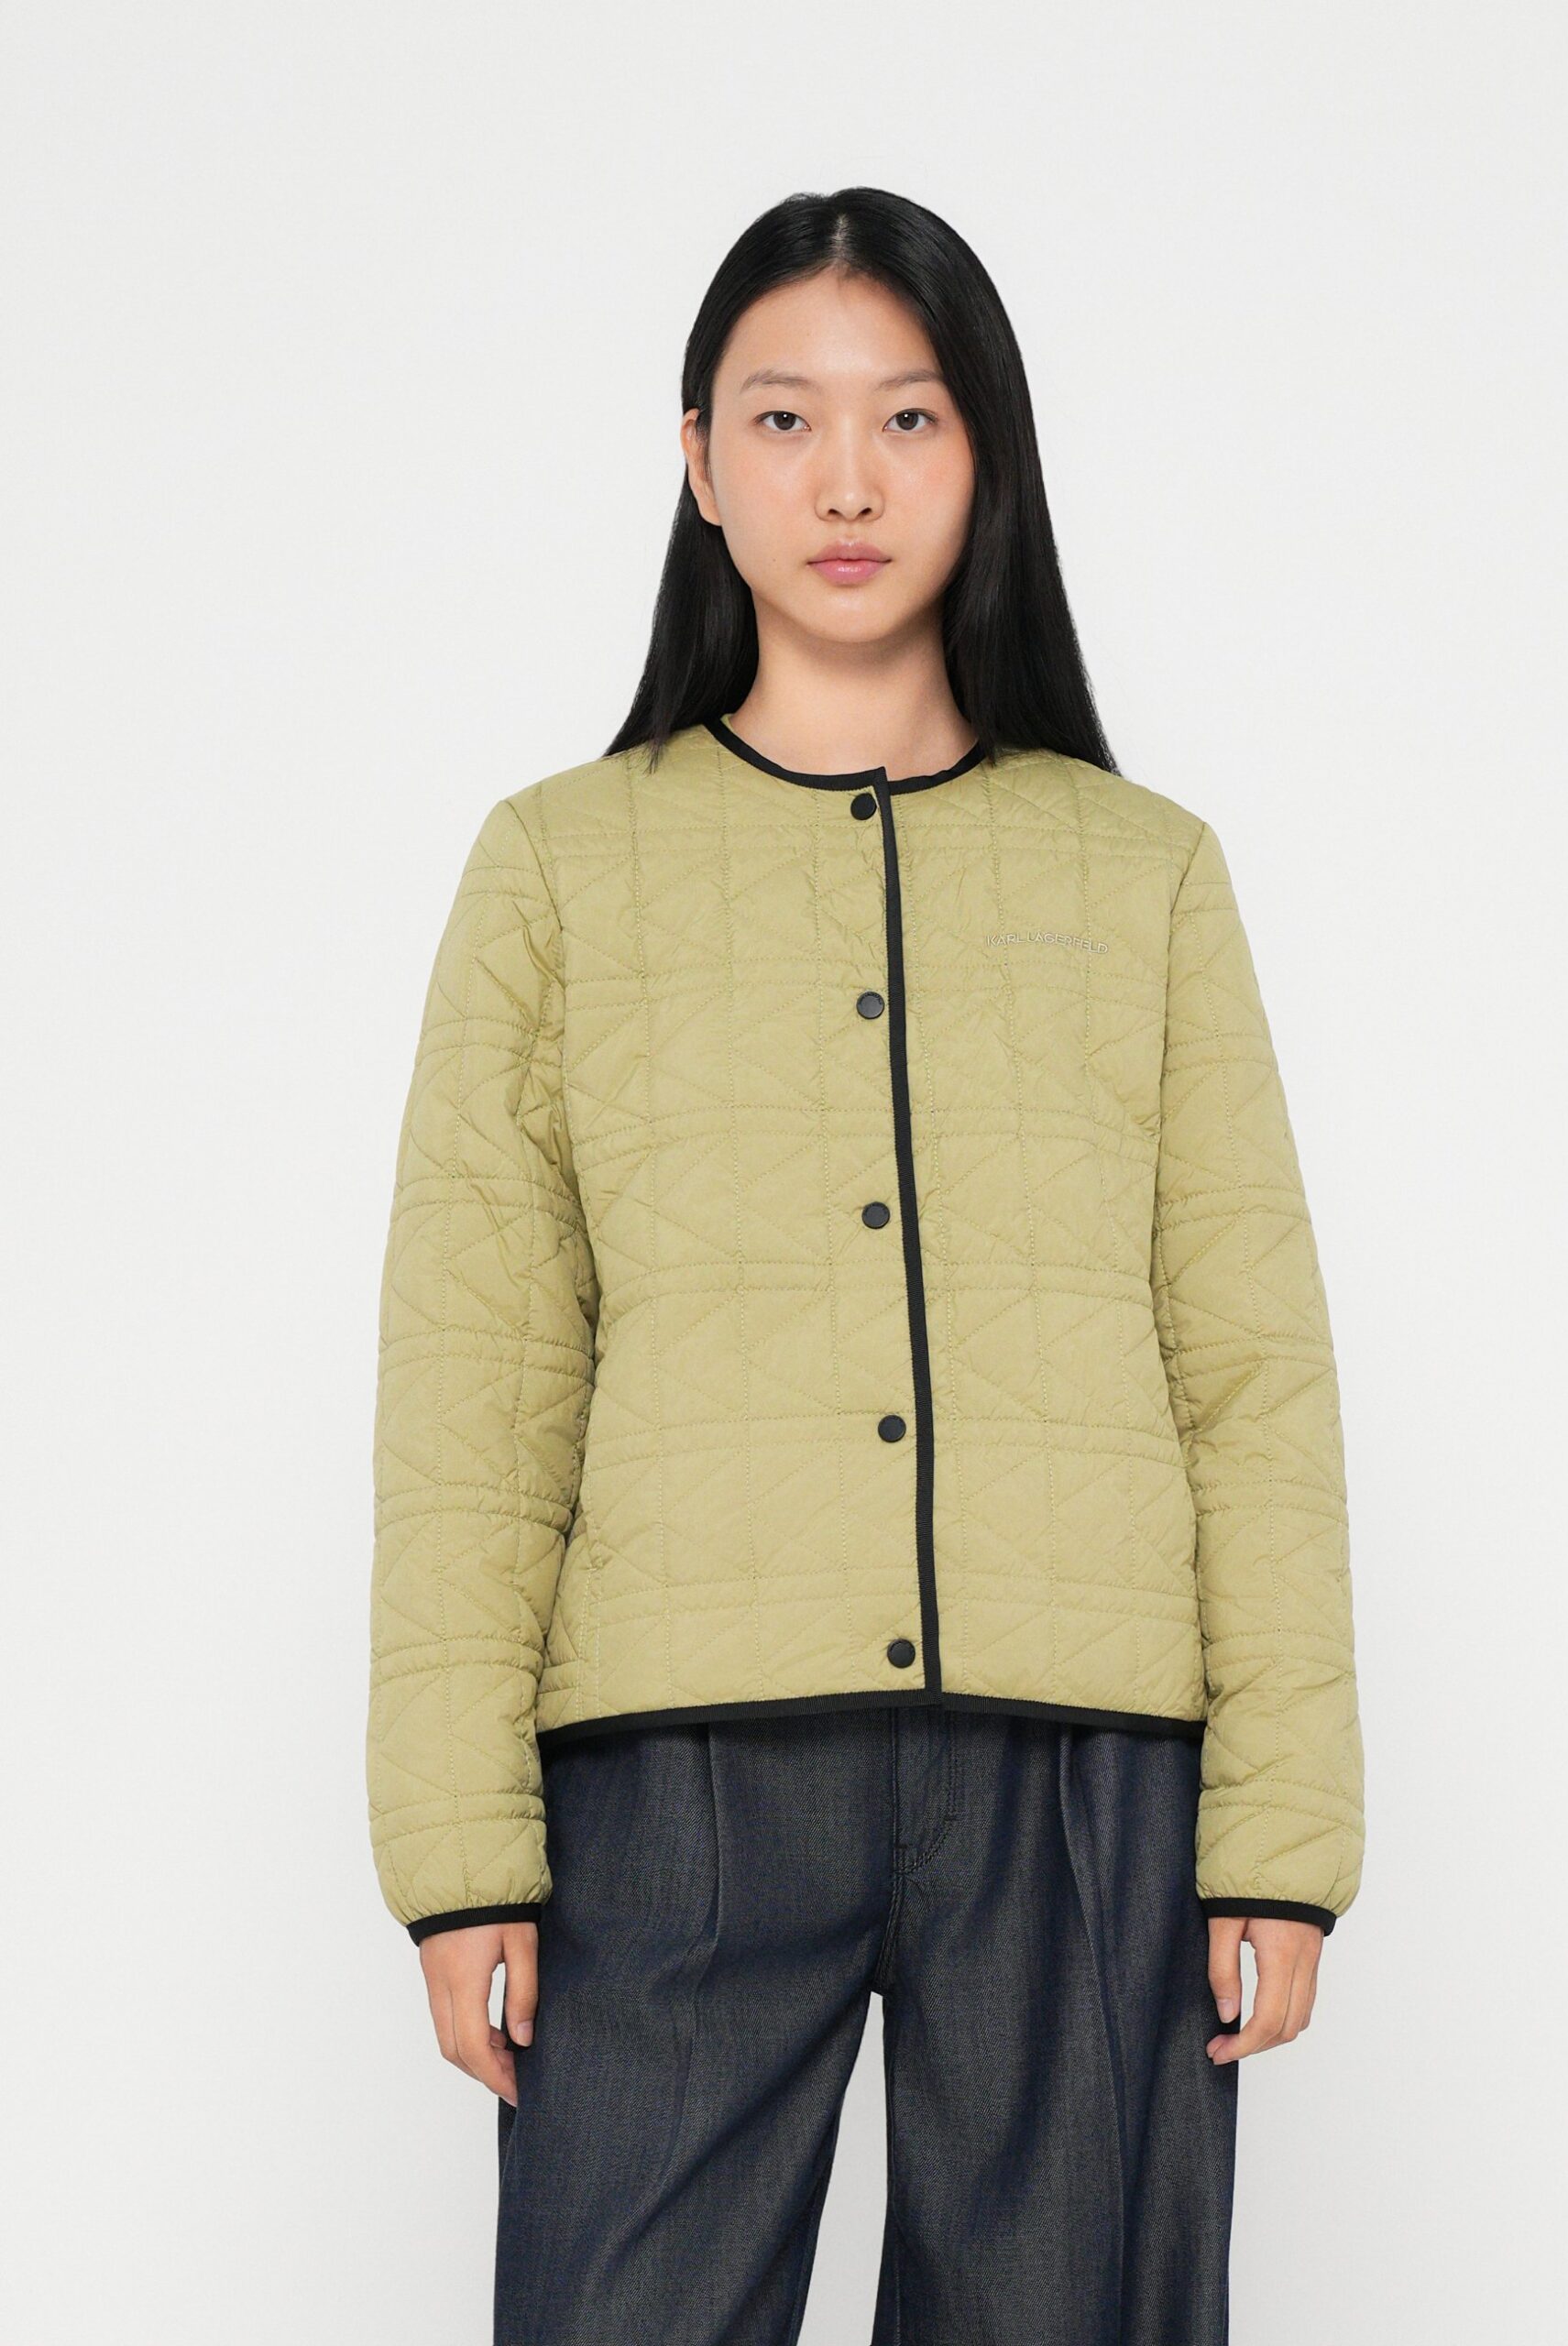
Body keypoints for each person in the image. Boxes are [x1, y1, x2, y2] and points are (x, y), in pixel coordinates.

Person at [366, 185, 1364, 2346]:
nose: (843, 480)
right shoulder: (558, 865)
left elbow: (1249, 1367)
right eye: (781, 417)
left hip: (1082, 1762)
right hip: (673, 1761)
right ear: (696, 461)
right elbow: (476, 1379)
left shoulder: (1141, 873)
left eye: (906, 417)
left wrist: (1278, 1828)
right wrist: (459, 1853)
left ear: (984, 454)